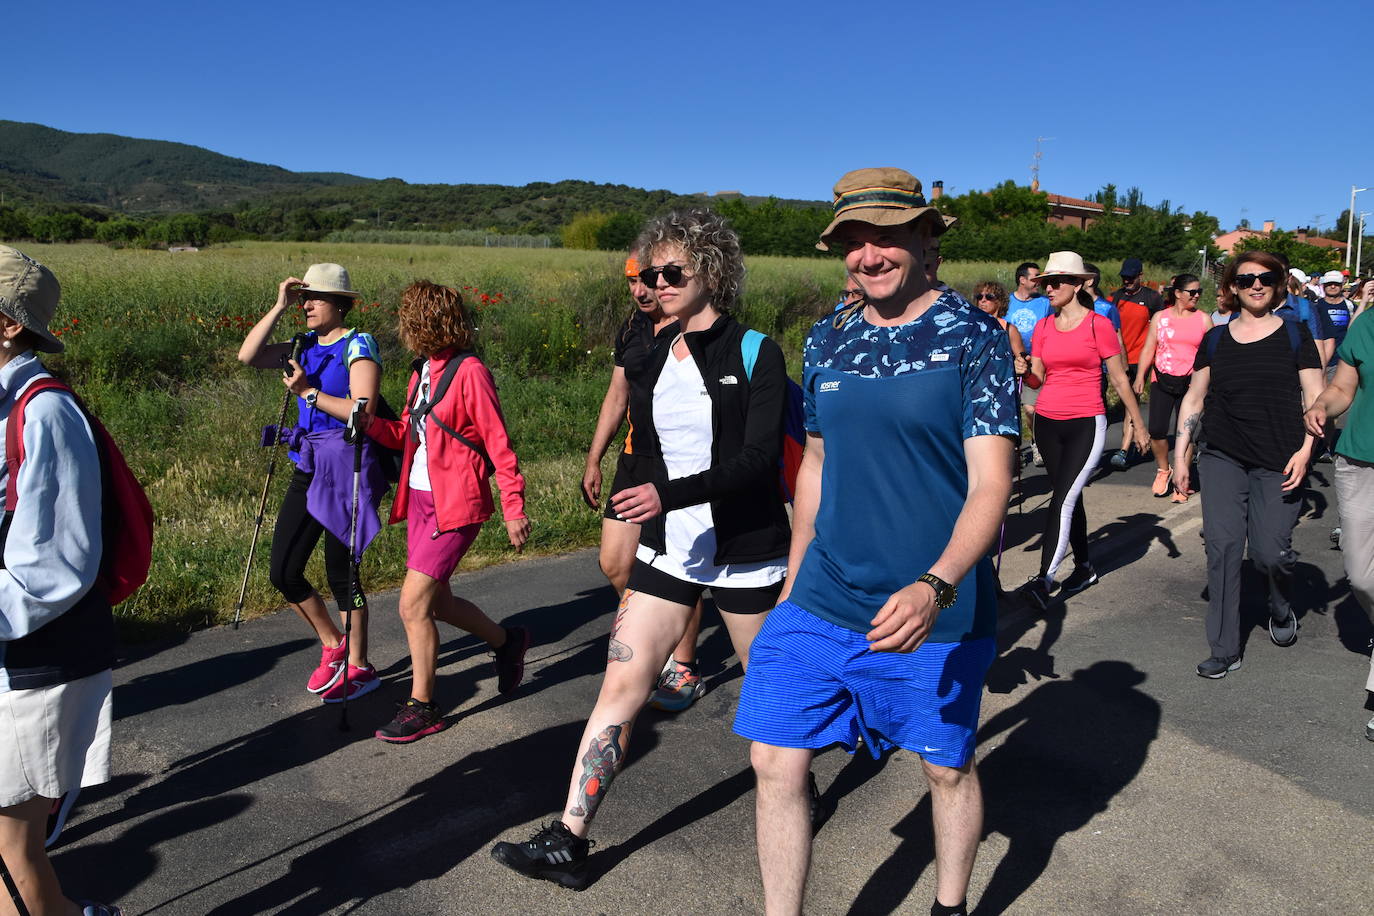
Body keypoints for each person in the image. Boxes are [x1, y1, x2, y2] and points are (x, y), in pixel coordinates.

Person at [733, 168, 1016, 916]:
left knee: (945, 770)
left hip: (932, 604)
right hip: (823, 592)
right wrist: (793, 582)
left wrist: (937, 585)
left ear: (927, 240)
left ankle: (948, 907)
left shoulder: (976, 338)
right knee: (774, 758)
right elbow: (817, 467)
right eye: (853, 241)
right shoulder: (829, 338)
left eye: (887, 235)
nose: (869, 254)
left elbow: (992, 484)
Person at [491, 209, 791, 889]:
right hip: (668, 553)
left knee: (772, 701)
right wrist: (628, 483)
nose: (656, 283)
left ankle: (793, 797)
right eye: (650, 273)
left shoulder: (754, 352)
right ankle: (569, 838)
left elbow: (759, 460)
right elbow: (649, 450)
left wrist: (669, 495)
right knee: (621, 686)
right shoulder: (651, 353)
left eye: (671, 271)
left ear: (712, 272)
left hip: (746, 550)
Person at [299, 280, 531, 742]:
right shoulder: (422, 370)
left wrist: (513, 505)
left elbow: (498, 442)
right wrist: (370, 424)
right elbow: (409, 433)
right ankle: (508, 642)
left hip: (457, 504)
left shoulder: (470, 372)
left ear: (426, 320)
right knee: (437, 601)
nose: (402, 327)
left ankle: (424, 705)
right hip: (423, 500)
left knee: (412, 605)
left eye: (408, 318)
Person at [0, 246, 123, 915]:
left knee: (15, 846)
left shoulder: (46, 413)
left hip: (34, 663)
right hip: (13, 654)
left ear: (8, 324)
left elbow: (54, 570)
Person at [1172, 252, 1324, 679]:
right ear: (1232, 288)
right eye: (1246, 279)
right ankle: (1223, 647)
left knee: (1269, 552)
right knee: (1221, 548)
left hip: (1280, 457)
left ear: (1278, 285)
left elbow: (1316, 398)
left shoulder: (1296, 335)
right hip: (1222, 455)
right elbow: (1195, 398)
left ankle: (1279, 603)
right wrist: (1183, 454)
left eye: (1265, 278)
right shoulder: (1216, 339)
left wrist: (1306, 450)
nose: (1256, 285)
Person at [237, 263, 384, 703]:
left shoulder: (359, 344)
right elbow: (248, 355)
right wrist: (278, 306)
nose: (308, 305)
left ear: (340, 303)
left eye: (315, 298)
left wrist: (307, 394)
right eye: (304, 298)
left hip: (348, 467)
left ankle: (359, 666)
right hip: (308, 463)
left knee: (343, 573)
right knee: (283, 570)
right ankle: (333, 643)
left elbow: (363, 413)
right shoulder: (302, 344)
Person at [581, 255, 704, 712]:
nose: (640, 290)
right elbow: (617, 395)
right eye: (632, 281)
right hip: (634, 461)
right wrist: (594, 458)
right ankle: (659, 626)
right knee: (615, 563)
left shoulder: (691, 323)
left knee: (678, 566)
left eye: (648, 280)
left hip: (678, 465)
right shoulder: (632, 327)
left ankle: (683, 665)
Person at [1016, 252, 1149, 611]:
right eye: (1046, 282)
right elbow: (1038, 378)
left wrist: (1137, 423)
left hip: (1086, 422)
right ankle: (1085, 566)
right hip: (1046, 421)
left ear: (1077, 284)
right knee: (1068, 497)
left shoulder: (1097, 325)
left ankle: (1044, 580)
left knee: (1062, 500)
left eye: (1057, 281)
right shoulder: (1043, 327)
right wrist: (1024, 369)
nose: (1050, 288)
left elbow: (1120, 379)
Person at [1303, 306, 1374, 739]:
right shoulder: (1368, 324)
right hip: (1360, 460)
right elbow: (1344, 387)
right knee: (1362, 576)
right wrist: (1322, 404)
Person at [1133, 274, 1211, 501]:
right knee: (1157, 430)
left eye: (1199, 292)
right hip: (1162, 379)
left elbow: (1211, 355)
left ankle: (1181, 483)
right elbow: (1149, 348)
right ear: (1178, 293)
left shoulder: (1204, 320)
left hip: (1191, 383)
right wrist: (1141, 376)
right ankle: (1163, 470)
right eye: (1192, 292)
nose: (1196, 296)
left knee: (1184, 433)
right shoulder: (1160, 317)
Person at [1107, 258, 1156, 469]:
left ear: (1140, 277)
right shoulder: (1115, 298)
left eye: (1131, 277)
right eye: (1124, 277)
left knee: (1131, 401)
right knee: (1126, 400)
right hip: (1117, 358)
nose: (1127, 281)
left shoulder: (1152, 298)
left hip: (1139, 358)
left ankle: (1124, 449)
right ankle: (1136, 440)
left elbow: (1157, 329)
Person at [1005, 263, 1049, 466]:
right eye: (1034, 278)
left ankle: (1037, 441)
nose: (1038, 282)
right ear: (1022, 280)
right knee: (1011, 408)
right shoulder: (1008, 302)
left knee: (1032, 409)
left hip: (1037, 362)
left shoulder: (1044, 303)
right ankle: (1013, 450)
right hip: (1010, 362)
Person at [972, 281, 1027, 360]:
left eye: (989, 297)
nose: (982, 300)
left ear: (999, 301)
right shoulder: (971, 327)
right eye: (979, 297)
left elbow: (1022, 361)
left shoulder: (1009, 329)